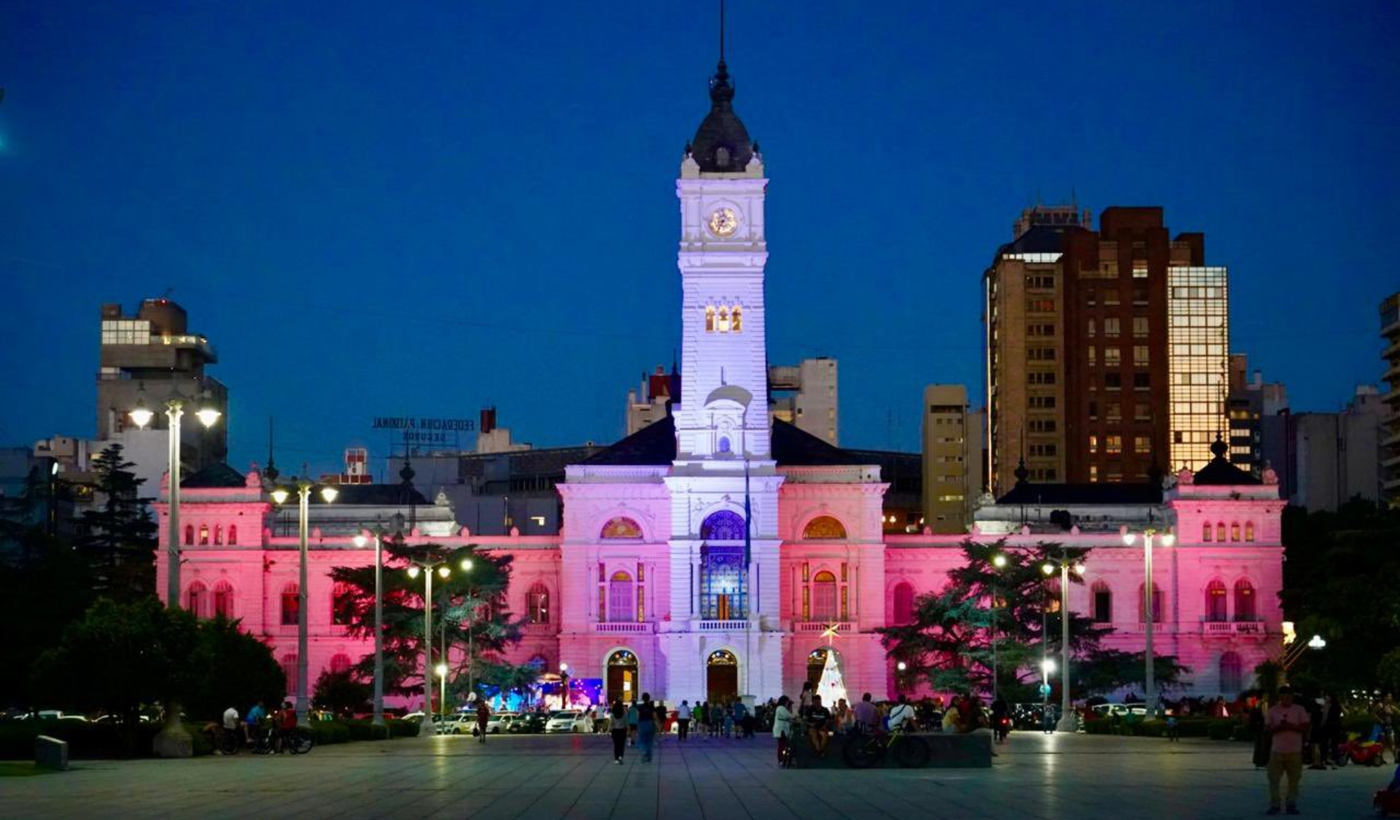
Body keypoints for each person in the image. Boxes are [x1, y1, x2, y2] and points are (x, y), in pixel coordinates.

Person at [1266, 686, 1311, 815]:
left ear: (1292, 697)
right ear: (1279, 698)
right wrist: (1280, 727)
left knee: (1294, 780)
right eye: (1283, 697)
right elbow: (1267, 729)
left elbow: (1305, 727)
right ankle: (1275, 804)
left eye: (1288, 697)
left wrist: (1290, 726)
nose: (1285, 700)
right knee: (1273, 779)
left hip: (1294, 751)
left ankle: (1291, 803)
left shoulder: (1299, 710)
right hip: (1277, 751)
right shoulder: (1273, 711)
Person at [773, 695, 795, 765]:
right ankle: (781, 759)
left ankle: (783, 759)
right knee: (781, 745)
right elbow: (788, 715)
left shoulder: (782, 708)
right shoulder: (780, 708)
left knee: (783, 744)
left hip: (783, 728)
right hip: (781, 729)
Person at [636, 693, 657, 763]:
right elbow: (654, 717)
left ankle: (644, 751)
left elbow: (637, 717)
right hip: (650, 724)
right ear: (649, 698)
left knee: (641, 741)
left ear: (642, 699)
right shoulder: (652, 707)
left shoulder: (640, 707)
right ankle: (649, 758)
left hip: (642, 724)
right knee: (650, 742)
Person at [609, 699, 628, 764]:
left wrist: (608, 731)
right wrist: (629, 731)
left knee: (616, 745)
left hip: (615, 731)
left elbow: (611, 724)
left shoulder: (612, 715)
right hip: (622, 731)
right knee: (622, 745)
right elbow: (626, 723)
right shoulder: (624, 714)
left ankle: (616, 759)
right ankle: (620, 756)